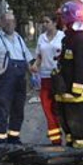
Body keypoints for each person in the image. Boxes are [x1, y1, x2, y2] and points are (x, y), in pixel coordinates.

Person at [0, 12, 34, 145]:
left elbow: (27, 59)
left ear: (15, 23)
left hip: (20, 81)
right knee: (2, 110)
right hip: (4, 81)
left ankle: (14, 137)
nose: (9, 24)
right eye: (6, 21)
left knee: (18, 110)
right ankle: (0, 140)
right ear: (0, 23)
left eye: (11, 21)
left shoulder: (19, 39)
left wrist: (33, 75)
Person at [52, 1, 83, 149]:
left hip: (77, 91)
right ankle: (71, 146)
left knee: (77, 122)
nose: (61, 20)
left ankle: (81, 150)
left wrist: (77, 89)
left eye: (63, 17)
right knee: (66, 120)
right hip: (67, 89)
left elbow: (81, 65)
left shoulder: (81, 38)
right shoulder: (68, 37)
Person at [32, 13, 65, 145]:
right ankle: (55, 138)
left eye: (47, 22)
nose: (44, 24)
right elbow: (39, 56)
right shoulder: (41, 38)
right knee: (47, 108)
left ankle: (64, 133)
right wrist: (35, 65)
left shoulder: (62, 36)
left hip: (58, 77)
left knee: (58, 108)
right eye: (43, 22)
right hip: (45, 77)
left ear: (55, 23)